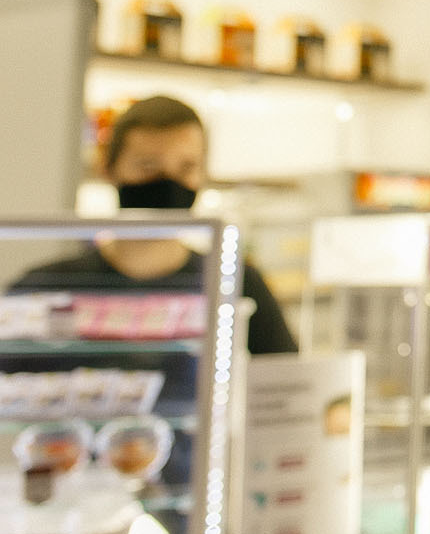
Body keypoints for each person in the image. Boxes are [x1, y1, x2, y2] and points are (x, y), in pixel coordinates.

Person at [12, 95, 298, 356]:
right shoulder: (43, 287)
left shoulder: (236, 284)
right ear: (108, 168)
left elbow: (286, 385)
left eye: (186, 167)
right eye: (148, 166)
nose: (168, 183)